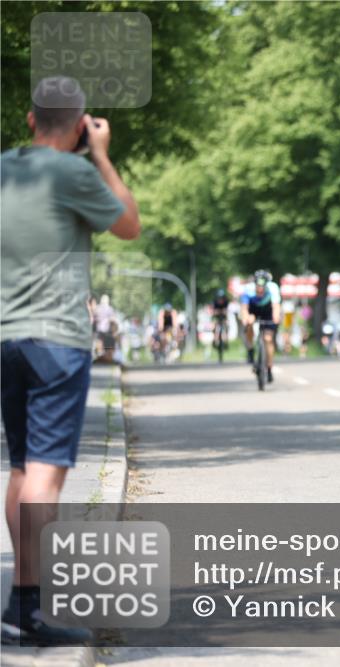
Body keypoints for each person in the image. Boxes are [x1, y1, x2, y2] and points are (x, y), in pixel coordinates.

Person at [1, 76, 140, 645]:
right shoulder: (76, 172)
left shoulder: (7, 167)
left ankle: (21, 601)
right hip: (57, 342)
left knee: (19, 467)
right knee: (45, 475)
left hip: (5, 338)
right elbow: (128, 225)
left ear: (31, 120)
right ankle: (26, 606)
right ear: (81, 125)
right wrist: (103, 157)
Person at [240, 270, 281, 382]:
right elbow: (244, 308)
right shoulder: (248, 289)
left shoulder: (273, 289)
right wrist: (246, 318)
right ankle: (250, 348)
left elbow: (276, 306)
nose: (260, 289)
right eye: (258, 286)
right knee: (249, 323)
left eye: (262, 286)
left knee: (268, 339)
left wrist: (276, 318)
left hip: (268, 312)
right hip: (253, 310)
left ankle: (269, 368)